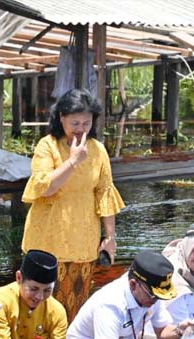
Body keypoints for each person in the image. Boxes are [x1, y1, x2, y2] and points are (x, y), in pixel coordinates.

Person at [20, 88, 125, 321]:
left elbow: (104, 192)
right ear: (61, 118)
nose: (80, 129)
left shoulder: (97, 150)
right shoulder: (47, 146)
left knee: (76, 307)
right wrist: (73, 161)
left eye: (86, 123)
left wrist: (110, 237)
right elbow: (45, 187)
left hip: (83, 241)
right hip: (46, 240)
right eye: (75, 123)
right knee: (38, 306)